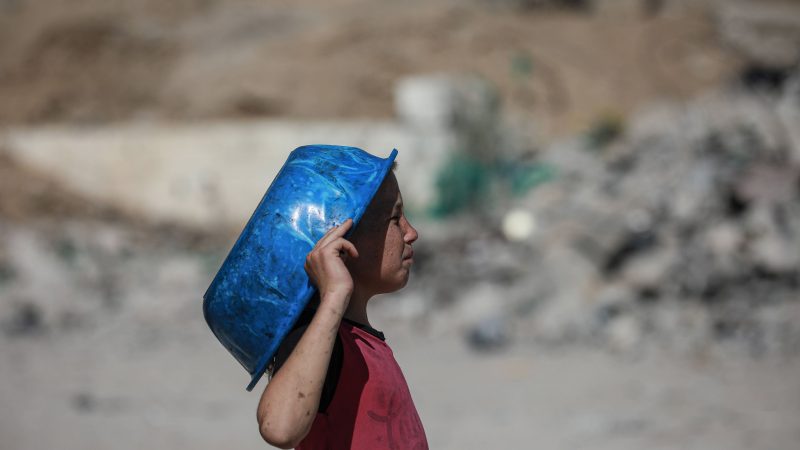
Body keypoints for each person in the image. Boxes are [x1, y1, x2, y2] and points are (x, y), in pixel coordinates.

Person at [256, 168, 429, 450]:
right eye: (395, 219)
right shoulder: (321, 340)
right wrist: (335, 294)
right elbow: (279, 429)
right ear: (343, 242)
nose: (411, 232)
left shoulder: (364, 344)